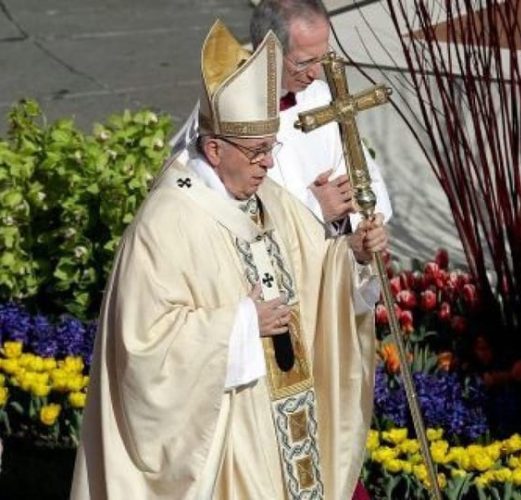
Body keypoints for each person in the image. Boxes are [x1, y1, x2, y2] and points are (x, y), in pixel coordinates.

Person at [70, 20, 387, 500]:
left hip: (282, 416)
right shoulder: (170, 220)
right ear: (215, 149)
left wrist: (354, 255)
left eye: (270, 149)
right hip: (227, 427)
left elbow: (315, 266)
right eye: (257, 152)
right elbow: (143, 342)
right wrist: (240, 324)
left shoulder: (269, 198)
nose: (267, 163)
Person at [170, 0, 393, 234]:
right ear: (265, 50)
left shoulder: (323, 97)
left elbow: (365, 180)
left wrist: (355, 214)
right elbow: (208, 207)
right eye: (304, 62)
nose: (315, 72)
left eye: (322, 58)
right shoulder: (226, 111)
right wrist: (313, 208)